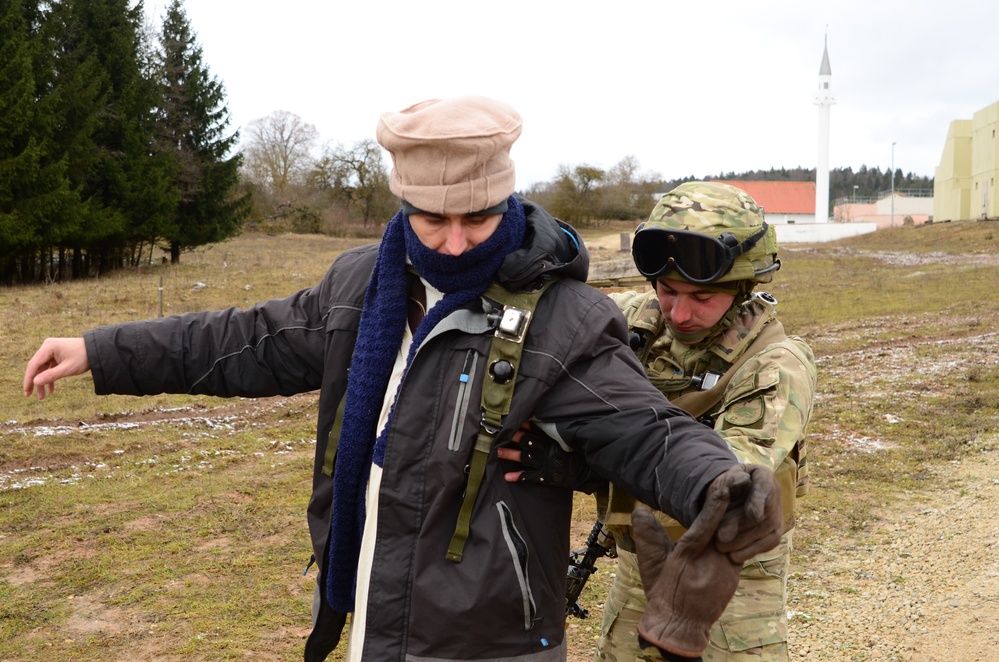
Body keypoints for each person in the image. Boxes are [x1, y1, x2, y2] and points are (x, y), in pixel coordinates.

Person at [23, 98, 783, 662]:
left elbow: (645, 432)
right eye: (432, 220)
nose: (454, 243)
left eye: (478, 221)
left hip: (491, 638)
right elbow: (245, 340)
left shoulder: (566, 320)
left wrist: (720, 481)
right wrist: (101, 349)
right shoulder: (362, 286)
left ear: (508, 203)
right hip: (369, 611)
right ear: (403, 206)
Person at [506, 181, 816, 661]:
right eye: (667, 291)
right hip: (637, 563)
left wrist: (591, 470)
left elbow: (724, 490)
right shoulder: (635, 321)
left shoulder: (777, 365)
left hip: (730, 582)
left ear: (742, 288)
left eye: (701, 297)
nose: (680, 312)